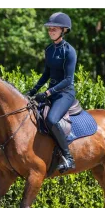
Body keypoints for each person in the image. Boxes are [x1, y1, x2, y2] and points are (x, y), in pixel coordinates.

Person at [26, 12, 77, 173]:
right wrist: (33, 90)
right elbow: (46, 73)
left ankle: (68, 157)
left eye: (54, 29)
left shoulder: (69, 51)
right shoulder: (49, 49)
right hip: (52, 92)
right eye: (49, 29)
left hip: (65, 93)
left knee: (52, 119)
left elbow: (68, 79)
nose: (50, 32)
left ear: (64, 30)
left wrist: (47, 93)